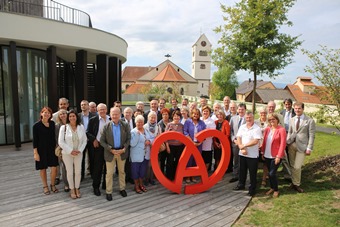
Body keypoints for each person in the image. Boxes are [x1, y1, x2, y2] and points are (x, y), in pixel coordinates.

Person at [100, 107, 131, 201]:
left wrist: (124, 148)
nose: (114, 116)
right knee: (109, 173)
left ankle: (122, 188)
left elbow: (129, 139)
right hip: (110, 153)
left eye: (116, 114)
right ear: (110, 114)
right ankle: (109, 192)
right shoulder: (106, 126)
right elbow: (102, 141)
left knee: (122, 172)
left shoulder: (125, 125)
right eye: (113, 114)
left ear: (120, 114)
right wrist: (110, 149)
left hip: (122, 152)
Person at [286, 102, 315, 193]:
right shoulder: (292, 119)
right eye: (295, 108)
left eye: (299, 108)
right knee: (292, 165)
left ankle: (297, 184)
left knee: (297, 166)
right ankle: (294, 182)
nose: (297, 110)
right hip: (291, 145)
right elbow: (290, 132)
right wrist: (288, 141)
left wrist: (309, 148)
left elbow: (311, 135)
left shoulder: (309, 121)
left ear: (303, 109)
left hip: (302, 146)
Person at [58, 109, 87, 199]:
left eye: (73, 116)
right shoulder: (64, 128)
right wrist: (70, 151)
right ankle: (71, 189)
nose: (72, 118)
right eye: (70, 116)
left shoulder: (81, 127)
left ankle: (77, 188)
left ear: (76, 117)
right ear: (68, 117)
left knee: (78, 172)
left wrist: (80, 150)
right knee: (70, 172)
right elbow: (61, 142)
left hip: (78, 153)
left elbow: (85, 140)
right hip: (67, 153)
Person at [233, 111, 262, 196]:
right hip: (242, 153)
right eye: (247, 118)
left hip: (252, 155)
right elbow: (238, 137)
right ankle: (241, 185)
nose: (248, 119)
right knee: (242, 170)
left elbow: (255, 141)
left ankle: (252, 189)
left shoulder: (257, 128)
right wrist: (241, 147)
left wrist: (243, 146)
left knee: (252, 173)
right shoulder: (242, 127)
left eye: (250, 118)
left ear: (253, 118)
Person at [33, 107, 59, 195]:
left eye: (48, 113)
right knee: (43, 168)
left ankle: (52, 185)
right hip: (41, 150)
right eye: (45, 112)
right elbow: (35, 141)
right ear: (41, 114)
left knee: (54, 167)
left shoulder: (52, 124)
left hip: (52, 149)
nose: (47, 114)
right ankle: (45, 186)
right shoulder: (36, 126)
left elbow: (54, 137)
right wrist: (35, 153)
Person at [86, 103, 110, 196]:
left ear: (106, 110)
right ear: (97, 110)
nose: (102, 111)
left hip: (108, 147)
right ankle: (96, 187)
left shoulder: (110, 119)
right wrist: (94, 139)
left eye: (104, 109)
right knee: (98, 168)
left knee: (108, 168)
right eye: (100, 110)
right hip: (98, 147)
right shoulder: (93, 120)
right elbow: (88, 132)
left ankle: (105, 185)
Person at [261, 113, 287, 198]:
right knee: (269, 172)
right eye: (270, 120)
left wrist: (278, 156)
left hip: (275, 156)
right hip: (267, 154)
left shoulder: (281, 130)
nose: (272, 121)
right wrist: (262, 152)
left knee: (272, 173)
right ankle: (272, 187)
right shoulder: (267, 129)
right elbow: (264, 141)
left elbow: (283, 144)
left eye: (273, 119)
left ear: (277, 120)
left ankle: (276, 190)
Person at [267, 100, 291, 180]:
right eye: (270, 107)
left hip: (278, 141)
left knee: (284, 158)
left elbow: (283, 128)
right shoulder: (265, 114)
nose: (271, 108)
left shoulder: (279, 116)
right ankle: (269, 175)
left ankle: (289, 175)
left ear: (275, 107)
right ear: (267, 107)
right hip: (268, 141)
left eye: (272, 107)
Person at [130, 115, 154, 193]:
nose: (140, 124)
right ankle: (136, 186)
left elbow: (151, 138)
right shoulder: (133, 132)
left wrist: (149, 141)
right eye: (138, 122)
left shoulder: (146, 130)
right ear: (135, 122)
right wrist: (137, 135)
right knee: (135, 171)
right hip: (136, 155)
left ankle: (141, 184)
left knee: (142, 171)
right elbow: (132, 144)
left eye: (141, 122)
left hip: (145, 155)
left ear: (143, 123)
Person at [183, 108, 206, 182]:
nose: (195, 115)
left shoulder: (202, 123)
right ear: (191, 114)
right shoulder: (188, 122)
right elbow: (185, 132)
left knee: (196, 160)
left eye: (197, 114)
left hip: (199, 144)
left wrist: (200, 142)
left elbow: (204, 133)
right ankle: (187, 177)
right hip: (189, 144)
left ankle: (193, 176)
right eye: (194, 114)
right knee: (188, 160)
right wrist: (192, 142)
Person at [52, 97, 69, 185]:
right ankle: (57, 177)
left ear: (67, 105)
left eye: (64, 104)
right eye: (61, 104)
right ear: (59, 105)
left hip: (69, 144)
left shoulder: (71, 114)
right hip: (57, 143)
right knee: (58, 161)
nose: (63, 106)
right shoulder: (54, 116)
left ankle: (68, 177)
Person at [165, 110, 185, 180]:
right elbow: (165, 137)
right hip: (171, 146)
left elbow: (184, 136)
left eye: (178, 116)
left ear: (180, 117)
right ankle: (169, 176)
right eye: (175, 116)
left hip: (180, 146)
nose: (176, 117)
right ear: (172, 117)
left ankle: (176, 176)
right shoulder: (169, 125)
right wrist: (167, 147)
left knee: (178, 162)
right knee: (170, 161)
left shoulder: (182, 126)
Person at [229, 103, 246, 183]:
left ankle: (243, 176)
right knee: (235, 160)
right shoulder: (233, 118)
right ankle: (235, 175)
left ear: (245, 110)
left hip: (244, 143)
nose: (240, 111)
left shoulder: (248, 119)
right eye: (239, 109)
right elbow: (231, 131)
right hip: (235, 143)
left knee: (243, 160)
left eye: (242, 109)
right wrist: (233, 139)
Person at [78, 100, 95, 181]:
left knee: (92, 158)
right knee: (81, 158)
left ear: (88, 106)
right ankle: (81, 175)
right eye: (82, 105)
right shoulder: (78, 116)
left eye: (85, 104)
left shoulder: (94, 116)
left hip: (91, 140)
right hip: (81, 141)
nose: (83, 106)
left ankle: (92, 173)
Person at [143, 111, 161, 185]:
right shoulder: (144, 126)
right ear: (148, 118)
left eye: (154, 117)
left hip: (155, 147)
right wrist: (149, 142)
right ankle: (146, 179)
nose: (152, 119)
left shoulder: (158, 126)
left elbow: (159, 136)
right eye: (151, 117)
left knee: (153, 163)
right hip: (147, 147)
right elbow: (143, 137)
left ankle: (151, 179)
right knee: (147, 164)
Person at [55, 109, 69, 192]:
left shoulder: (70, 124)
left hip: (71, 149)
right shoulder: (57, 126)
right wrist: (61, 147)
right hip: (61, 149)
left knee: (69, 167)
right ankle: (66, 184)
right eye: (61, 114)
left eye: (64, 113)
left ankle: (71, 182)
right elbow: (56, 138)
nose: (63, 115)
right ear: (59, 116)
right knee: (63, 167)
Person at [255, 107, 269, 187]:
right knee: (255, 162)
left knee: (265, 163)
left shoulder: (269, 122)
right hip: (257, 145)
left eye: (264, 113)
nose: (263, 114)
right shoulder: (256, 122)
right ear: (259, 113)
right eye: (261, 113)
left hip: (266, 144)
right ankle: (254, 178)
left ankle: (264, 179)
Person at [122, 107, 135, 185]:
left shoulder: (135, 121)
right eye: (126, 112)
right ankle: (125, 178)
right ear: (123, 113)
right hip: (124, 145)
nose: (128, 114)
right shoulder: (121, 122)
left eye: (129, 112)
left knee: (132, 161)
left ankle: (131, 177)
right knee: (125, 162)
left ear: (132, 113)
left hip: (133, 145)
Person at [201, 106, 216, 171]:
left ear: (209, 113)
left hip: (207, 143)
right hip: (199, 143)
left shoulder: (211, 121)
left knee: (207, 159)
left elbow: (212, 133)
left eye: (207, 111)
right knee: (200, 158)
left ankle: (204, 172)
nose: (205, 112)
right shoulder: (200, 119)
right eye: (204, 111)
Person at [158, 108, 171, 174]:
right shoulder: (159, 124)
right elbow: (161, 136)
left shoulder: (171, 122)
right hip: (163, 145)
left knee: (170, 161)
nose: (165, 116)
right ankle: (162, 174)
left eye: (166, 114)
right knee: (162, 160)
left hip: (171, 144)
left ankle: (168, 174)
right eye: (163, 114)